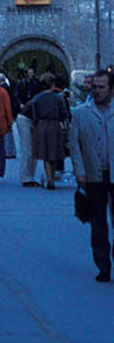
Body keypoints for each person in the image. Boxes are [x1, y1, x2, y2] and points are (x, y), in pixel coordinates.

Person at [69, 70, 114, 282]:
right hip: (93, 174)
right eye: (94, 87)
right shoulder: (80, 113)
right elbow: (75, 145)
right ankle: (103, 265)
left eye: (101, 87)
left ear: (111, 90)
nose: (97, 91)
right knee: (98, 223)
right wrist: (79, 171)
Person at [30, 71, 69, 189]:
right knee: (54, 153)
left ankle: (50, 179)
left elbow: (34, 114)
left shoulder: (37, 98)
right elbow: (64, 113)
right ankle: (52, 177)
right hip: (54, 125)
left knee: (46, 154)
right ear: (52, 83)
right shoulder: (58, 98)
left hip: (42, 126)